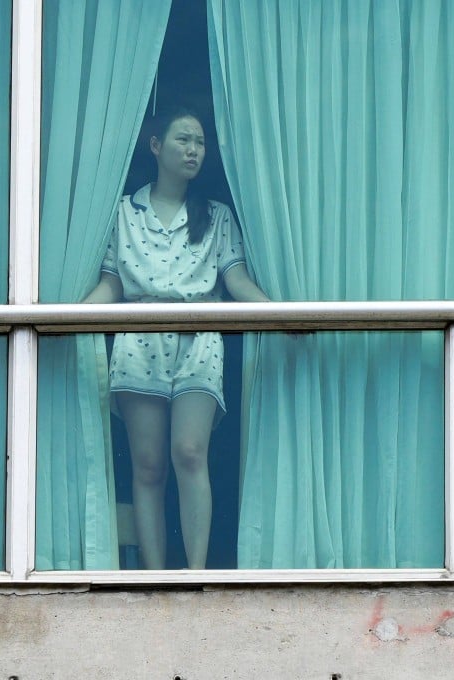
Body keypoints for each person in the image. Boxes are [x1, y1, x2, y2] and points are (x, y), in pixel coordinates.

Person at [83, 108, 269, 569]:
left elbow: (236, 280)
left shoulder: (216, 215)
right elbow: (112, 284)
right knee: (148, 466)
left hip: (200, 336)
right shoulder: (125, 212)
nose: (192, 150)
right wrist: (58, 319)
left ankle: (195, 573)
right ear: (155, 146)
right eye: (183, 139)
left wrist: (281, 313)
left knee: (189, 452)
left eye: (200, 144)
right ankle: (152, 574)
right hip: (138, 338)